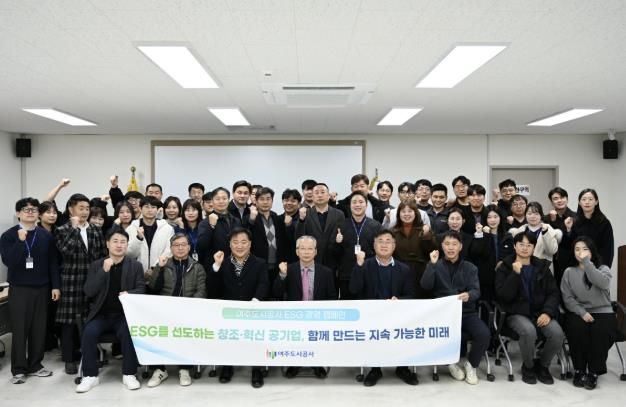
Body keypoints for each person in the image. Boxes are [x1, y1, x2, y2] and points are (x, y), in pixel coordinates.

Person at [75, 229, 145, 393]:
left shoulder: (135, 266)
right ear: (107, 244)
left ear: (127, 245)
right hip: (101, 315)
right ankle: (90, 376)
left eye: (123, 242)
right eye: (115, 241)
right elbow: (89, 291)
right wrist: (103, 271)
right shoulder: (97, 265)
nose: (119, 245)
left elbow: (141, 288)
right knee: (88, 333)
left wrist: (130, 293)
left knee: (129, 333)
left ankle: (129, 374)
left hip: (123, 315)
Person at [1, 198, 61, 384]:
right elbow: (9, 261)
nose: (30, 212)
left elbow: (53, 262)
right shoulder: (9, 235)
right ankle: (18, 369)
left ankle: (35, 365)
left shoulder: (45, 235)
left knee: (39, 329)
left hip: (42, 288)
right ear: (18, 213)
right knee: (20, 329)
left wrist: (56, 285)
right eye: (26, 209)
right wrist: (20, 242)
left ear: (38, 214)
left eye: (34, 209)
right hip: (20, 288)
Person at [421, 231, 491, 385]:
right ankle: (451, 364)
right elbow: (425, 286)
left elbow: (476, 290)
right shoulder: (435, 265)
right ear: (442, 246)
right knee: (445, 334)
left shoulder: (470, 267)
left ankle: (471, 364)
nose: (450, 248)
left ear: (460, 247)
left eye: (454, 244)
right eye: (447, 244)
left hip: (466, 312)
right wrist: (431, 265)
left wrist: (469, 295)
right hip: (443, 314)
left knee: (484, 334)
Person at [349, 230, 416, 386]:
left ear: (394, 246)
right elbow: (353, 289)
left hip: (397, 316)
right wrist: (359, 265)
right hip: (371, 316)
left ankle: (402, 368)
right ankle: (375, 369)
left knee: (405, 329)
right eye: (380, 241)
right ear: (374, 245)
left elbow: (411, 296)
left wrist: (399, 300)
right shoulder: (365, 265)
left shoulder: (404, 269)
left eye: (388, 241)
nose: (384, 245)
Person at [495, 233, 564, 385]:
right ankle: (528, 366)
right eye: (521, 244)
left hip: (540, 312)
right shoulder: (504, 267)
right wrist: (515, 274)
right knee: (528, 331)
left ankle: (543, 366)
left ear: (533, 248)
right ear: (514, 246)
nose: (525, 248)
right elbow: (504, 296)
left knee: (557, 334)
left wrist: (547, 312)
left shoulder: (542, 267)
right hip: (516, 313)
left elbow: (553, 293)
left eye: (529, 245)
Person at [145, 233, 207, 388]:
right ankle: (159, 369)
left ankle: (184, 369)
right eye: (176, 245)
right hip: (164, 311)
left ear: (189, 247)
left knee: (187, 327)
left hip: (188, 311)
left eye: (183, 245)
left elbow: (201, 291)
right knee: (155, 328)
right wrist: (159, 268)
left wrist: (188, 308)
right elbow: (153, 287)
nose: (180, 248)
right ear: (171, 248)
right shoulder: (163, 264)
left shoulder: (197, 267)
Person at [55, 193, 107, 375]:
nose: (85, 212)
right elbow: (66, 251)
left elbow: (102, 255)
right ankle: (69, 359)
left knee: (90, 319)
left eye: (87, 208)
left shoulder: (95, 230)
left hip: (92, 280)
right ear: (71, 209)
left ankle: (90, 355)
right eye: (81, 208)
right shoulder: (62, 230)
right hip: (72, 281)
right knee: (69, 323)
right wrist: (75, 229)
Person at [211, 228, 269, 388]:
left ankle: (257, 369)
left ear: (250, 244)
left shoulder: (259, 263)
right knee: (229, 339)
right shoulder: (222, 263)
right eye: (235, 242)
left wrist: (255, 301)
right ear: (229, 244)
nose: (239, 246)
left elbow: (264, 284)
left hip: (254, 310)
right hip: (229, 312)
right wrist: (216, 266)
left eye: (243, 242)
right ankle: (227, 366)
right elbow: (214, 290)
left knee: (255, 340)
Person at [273, 236, 336, 379]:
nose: (306, 252)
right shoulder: (289, 269)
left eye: (310, 249)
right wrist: (282, 275)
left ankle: (317, 364)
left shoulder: (326, 272)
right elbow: (276, 292)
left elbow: (332, 297)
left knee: (316, 339)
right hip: (294, 317)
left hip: (318, 317)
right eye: (302, 249)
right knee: (296, 340)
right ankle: (295, 364)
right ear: (297, 252)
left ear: (315, 251)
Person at [560, 237, 615, 390]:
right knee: (576, 328)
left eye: (585, 249)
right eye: (577, 249)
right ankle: (579, 370)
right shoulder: (569, 272)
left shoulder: (603, 269)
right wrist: (582, 312)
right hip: (579, 311)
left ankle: (594, 372)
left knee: (601, 331)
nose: (581, 253)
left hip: (602, 310)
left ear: (592, 251)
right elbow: (567, 297)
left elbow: (603, 283)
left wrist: (587, 263)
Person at [335, 191, 382, 300]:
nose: (357, 205)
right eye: (354, 202)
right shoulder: (341, 225)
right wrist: (337, 243)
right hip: (346, 275)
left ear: (366, 205)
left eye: (361, 202)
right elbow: (334, 253)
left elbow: (380, 251)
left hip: (369, 274)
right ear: (349, 205)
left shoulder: (376, 226)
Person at [197, 187, 243, 298]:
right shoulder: (205, 222)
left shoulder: (236, 220)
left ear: (229, 200)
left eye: (224, 198)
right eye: (217, 199)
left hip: (235, 268)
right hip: (214, 269)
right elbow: (201, 246)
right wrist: (211, 226)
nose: (221, 201)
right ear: (212, 201)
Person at [295, 183, 345, 271]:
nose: (319, 195)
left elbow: (341, 236)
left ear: (328, 196)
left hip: (333, 260)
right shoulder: (305, 213)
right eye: (316, 193)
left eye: (322, 192)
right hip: (311, 260)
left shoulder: (339, 214)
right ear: (312, 197)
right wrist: (301, 220)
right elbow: (299, 237)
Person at [391, 201, 437, 299]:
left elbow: (432, 251)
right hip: (399, 271)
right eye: (403, 211)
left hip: (421, 272)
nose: (406, 214)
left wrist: (426, 235)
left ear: (416, 213)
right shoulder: (393, 231)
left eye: (410, 211)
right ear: (399, 214)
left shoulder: (424, 230)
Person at [469, 206, 513, 302]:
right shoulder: (479, 234)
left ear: (500, 218)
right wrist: (484, 235)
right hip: (485, 278)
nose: (493, 220)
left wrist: (503, 262)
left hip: (503, 277)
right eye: (489, 217)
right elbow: (476, 253)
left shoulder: (507, 236)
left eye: (495, 217)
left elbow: (512, 255)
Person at [126, 196, 175, 280]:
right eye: (146, 207)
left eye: (153, 207)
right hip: (136, 275)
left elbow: (169, 251)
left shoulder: (167, 228)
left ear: (158, 210)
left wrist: (154, 269)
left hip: (160, 273)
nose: (150, 210)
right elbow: (129, 254)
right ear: (140, 209)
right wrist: (138, 238)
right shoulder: (132, 228)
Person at [563, 188, 614, 268]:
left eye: (590, 199)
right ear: (579, 202)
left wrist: (603, 270)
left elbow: (608, 250)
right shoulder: (574, 222)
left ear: (596, 202)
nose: (587, 202)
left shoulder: (604, 223)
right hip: (578, 266)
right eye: (584, 199)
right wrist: (568, 229)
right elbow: (569, 246)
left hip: (597, 267)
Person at [248, 187, 288, 289]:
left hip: (277, 266)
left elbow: (284, 242)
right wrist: (251, 221)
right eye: (262, 199)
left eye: (268, 199)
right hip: (258, 265)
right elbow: (246, 237)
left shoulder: (277, 218)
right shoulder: (250, 218)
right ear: (256, 201)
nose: (265, 202)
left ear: (272, 201)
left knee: (276, 292)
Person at [544, 187, 577, 285]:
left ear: (567, 199)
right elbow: (550, 240)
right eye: (555, 198)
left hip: (573, 259)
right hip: (553, 261)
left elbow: (573, 239)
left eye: (562, 197)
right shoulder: (546, 219)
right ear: (551, 202)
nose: (559, 200)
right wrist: (552, 222)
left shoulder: (576, 217)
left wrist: (567, 229)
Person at [278, 188, 301, 263]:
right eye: (286, 200)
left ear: (299, 204)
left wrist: (289, 226)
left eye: (293, 201)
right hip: (280, 260)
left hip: (297, 260)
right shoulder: (277, 219)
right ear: (282, 202)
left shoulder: (303, 220)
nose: (289, 203)